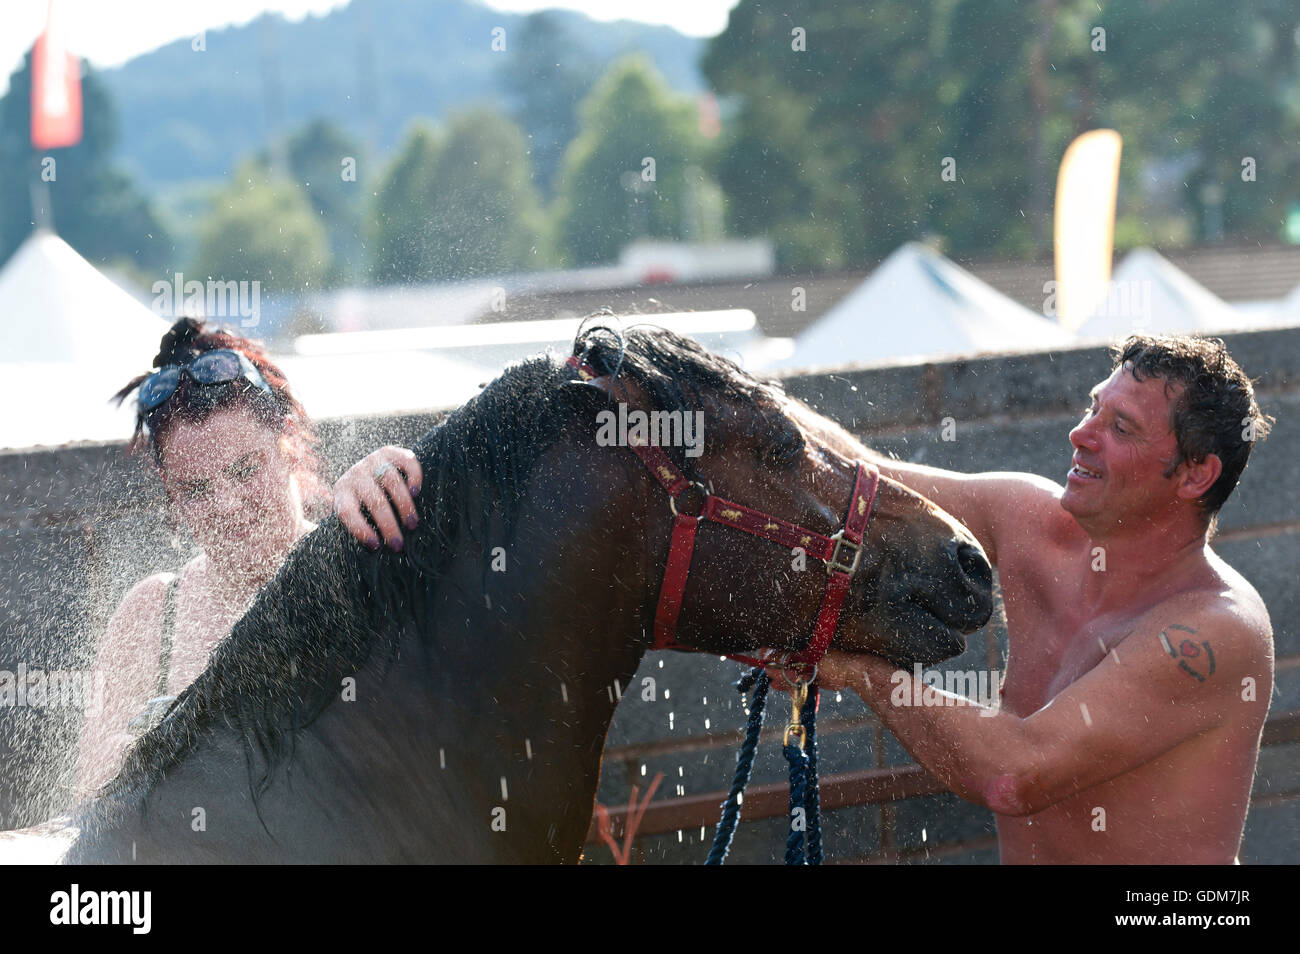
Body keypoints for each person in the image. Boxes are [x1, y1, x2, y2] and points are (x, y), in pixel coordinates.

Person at [783, 334, 1275, 863]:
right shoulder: (1031, 520)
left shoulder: (1214, 630)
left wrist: (862, 671)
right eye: (1093, 408)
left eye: (1121, 427)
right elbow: (863, 481)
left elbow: (1013, 775)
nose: (1081, 433)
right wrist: (745, 400)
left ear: (1196, 474)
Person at [75, 317, 423, 797]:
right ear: (169, 496)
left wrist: (407, 484)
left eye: (244, 469)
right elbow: (89, 803)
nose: (228, 505)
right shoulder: (151, 614)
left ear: (286, 441)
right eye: (195, 489)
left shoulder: (361, 557)